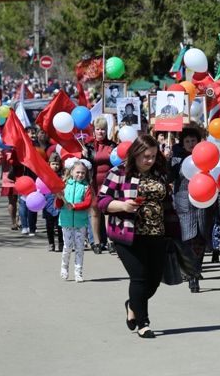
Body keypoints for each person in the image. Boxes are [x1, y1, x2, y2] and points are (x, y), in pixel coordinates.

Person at [99, 135, 176, 339]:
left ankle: (132, 304)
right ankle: (143, 323)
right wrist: (123, 205)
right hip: (128, 234)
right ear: (135, 154)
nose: (149, 160)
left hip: (157, 233)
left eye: (152, 156)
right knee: (139, 277)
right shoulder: (119, 172)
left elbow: (167, 202)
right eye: (145, 156)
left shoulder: (159, 173)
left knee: (154, 280)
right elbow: (102, 201)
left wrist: (174, 230)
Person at [171, 127, 215, 293]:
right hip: (184, 201)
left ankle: (196, 269)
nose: (190, 144)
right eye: (187, 141)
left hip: (203, 200)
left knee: (201, 236)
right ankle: (191, 274)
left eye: (193, 141)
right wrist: (169, 161)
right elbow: (170, 177)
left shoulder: (204, 155)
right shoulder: (177, 157)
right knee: (187, 238)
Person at [83, 116, 117, 254]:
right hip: (93, 182)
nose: (100, 132)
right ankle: (96, 242)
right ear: (94, 131)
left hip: (109, 182)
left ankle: (110, 241)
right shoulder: (88, 146)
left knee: (108, 211)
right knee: (95, 212)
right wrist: (84, 156)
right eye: (98, 129)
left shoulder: (112, 145)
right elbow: (84, 166)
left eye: (103, 129)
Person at [58, 159, 94, 283]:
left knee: (79, 248)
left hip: (80, 222)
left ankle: (78, 272)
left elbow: (87, 203)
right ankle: (64, 268)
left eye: (83, 173)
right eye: (77, 172)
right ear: (71, 172)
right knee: (67, 247)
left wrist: (74, 206)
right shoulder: (64, 185)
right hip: (66, 221)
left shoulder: (86, 187)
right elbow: (58, 204)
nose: (80, 175)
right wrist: (58, 198)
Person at [43, 153, 64, 252]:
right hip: (48, 204)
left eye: (57, 164)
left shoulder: (62, 176)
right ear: (49, 164)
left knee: (60, 225)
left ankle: (61, 243)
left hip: (59, 204)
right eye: (53, 164)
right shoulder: (45, 176)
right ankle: (51, 243)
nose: (55, 166)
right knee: (49, 226)